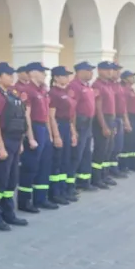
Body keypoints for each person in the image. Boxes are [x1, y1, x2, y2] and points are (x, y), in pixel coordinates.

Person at [0, 62, 29, 230]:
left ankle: (8, 214)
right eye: (8, 74)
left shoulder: (10, 94)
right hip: (2, 142)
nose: (12, 77)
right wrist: (1, 147)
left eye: (12, 74)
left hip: (14, 141)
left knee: (11, 181)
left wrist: (19, 144)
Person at [18, 62, 58, 212]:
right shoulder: (27, 90)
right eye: (42, 72)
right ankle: (25, 201)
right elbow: (26, 115)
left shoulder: (42, 91)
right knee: (30, 167)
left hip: (43, 129)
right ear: (33, 73)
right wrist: (31, 136)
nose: (45, 75)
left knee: (44, 166)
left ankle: (41, 198)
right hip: (34, 128)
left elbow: (46, 113)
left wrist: (50, 134)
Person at [47, 66, 78, 205]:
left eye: (68, 75)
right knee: (57, 161)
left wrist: (73, 132)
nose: (67, 78)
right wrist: (56, 135)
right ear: (56, 77)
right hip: (58, 125)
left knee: (66, 160)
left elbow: (70, 116)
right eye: (64, 75)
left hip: (66, 125)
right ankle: (55, 192)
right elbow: (51, 116)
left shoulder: (66, 92)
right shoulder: (53, 93)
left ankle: (64, 190)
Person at [67, 61, 98, 193]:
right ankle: (70, 184)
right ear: (80, 71)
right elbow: (72, 109)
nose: (91, 73)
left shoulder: (88, 86)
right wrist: (73, 128)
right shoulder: (74, 86)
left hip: (88, 122)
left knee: (86, 153)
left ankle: (84, 181)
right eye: (89, 70)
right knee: (76, 154)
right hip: (80, 122)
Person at [91, 61, 118, 189]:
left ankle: (104, 175)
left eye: (111, 70)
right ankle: (96, 178)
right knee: (100, 150)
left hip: (111, 119)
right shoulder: (97, 85)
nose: (110, 72)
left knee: (108, 149)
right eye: (106, 69)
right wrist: (104, 126)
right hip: (102, 119)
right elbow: (98, 109)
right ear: (99, 70)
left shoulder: (109, 85)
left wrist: (113, 125)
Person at [108, 64, 130, 179]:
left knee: (118, 146)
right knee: (111, 145)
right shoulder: (108, 85)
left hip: (120, 118)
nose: (118, 73)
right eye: (115, 70)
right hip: (112, 118)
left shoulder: (118, 85)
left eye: (119, 71)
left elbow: (123, 105)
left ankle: (114, 167)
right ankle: (110, 169)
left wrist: (126, 120)